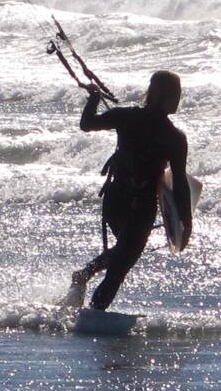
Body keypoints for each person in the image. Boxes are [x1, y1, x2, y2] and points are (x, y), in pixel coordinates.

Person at [63, 70, 191, 310]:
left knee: (123, 253)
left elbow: (87, 123)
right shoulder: (174, 138)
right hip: (140, 205)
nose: (178, 99)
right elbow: (181, 184)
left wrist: (93, 98)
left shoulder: (127, 117)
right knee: (122, 262)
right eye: (176, 94)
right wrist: (186, 222)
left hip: (115, 200)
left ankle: (84, 276)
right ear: (167, 96)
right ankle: (93, 314)